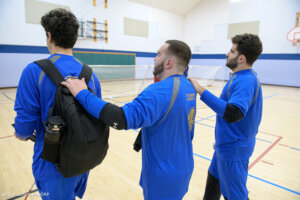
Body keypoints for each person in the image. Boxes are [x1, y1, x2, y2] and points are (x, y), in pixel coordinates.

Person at [62, 40, 197, 200]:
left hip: (163, 176)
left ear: (169, 62)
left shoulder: (158, 91)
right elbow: (173, 119)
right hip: (183, 167)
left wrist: (82, 93)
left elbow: (120, 118)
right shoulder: (189, 87)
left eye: (158, 54)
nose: (154, 59)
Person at [13, 8, 102, 199]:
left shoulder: (33, 71)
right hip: (82, 160)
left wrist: (20, 133)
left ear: (49, 36)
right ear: (74, 39)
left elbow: (24, 128)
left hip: (51, 166)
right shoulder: (91, 76)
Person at [188, 33, 263, 200]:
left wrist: (200, 90)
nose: (227, 54)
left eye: (231, 51)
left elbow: (233, 113)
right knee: (213, 184)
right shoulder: (239, 77)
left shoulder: (245, 80)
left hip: (233, 151)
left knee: (235, 196)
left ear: (241, 58)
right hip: (226, 147)